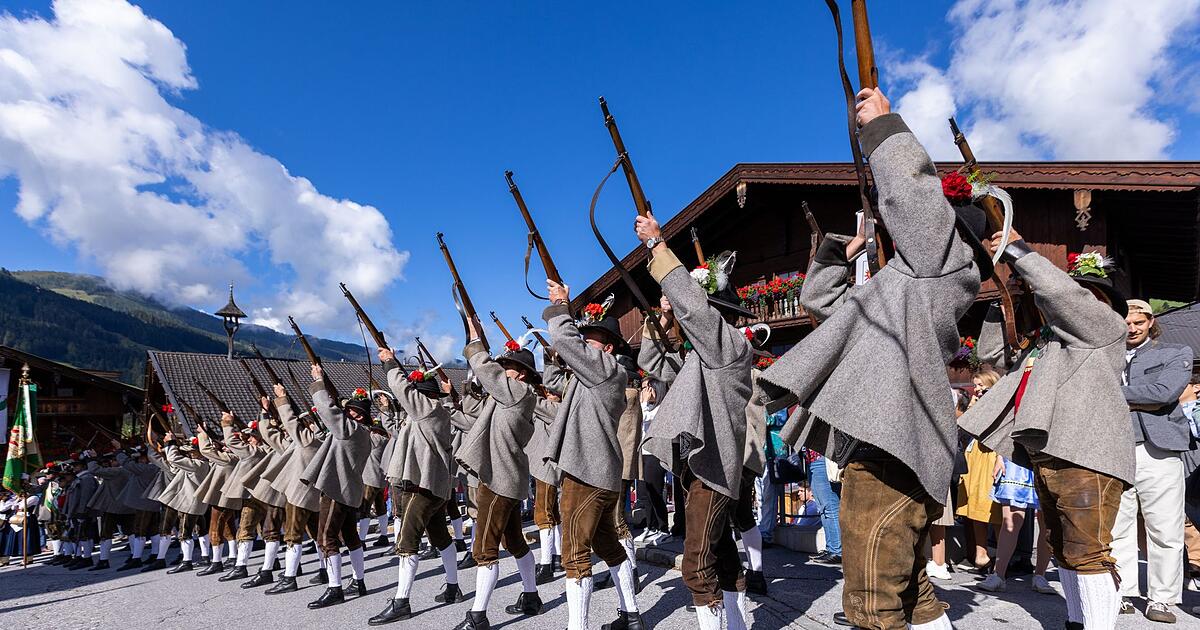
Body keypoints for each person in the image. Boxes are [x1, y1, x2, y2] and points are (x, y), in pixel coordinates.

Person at [761, 87, 990, 630]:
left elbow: (913, 199)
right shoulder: (903, 282)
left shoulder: (946, 264)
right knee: (913, 596)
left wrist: (884, 129)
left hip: (892, 451)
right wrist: (837, 254)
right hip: (885, 445)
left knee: (871, 605)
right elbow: (825, 307)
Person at [961, 239, 1134, 630]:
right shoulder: (1048, 344)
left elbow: (1061, 292)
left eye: (1085, 293)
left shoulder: (1106, 326)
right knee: (1064, 549)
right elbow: (992, 358)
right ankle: (1078, 621)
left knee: (1088, 552)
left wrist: (1017, 250)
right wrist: (1002, 299)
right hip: (1049, 453)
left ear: (1100, 303)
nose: (1067, 299)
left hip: (1087, 454)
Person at [634, 212, 766, 630]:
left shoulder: (727, 346)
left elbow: (694, 308)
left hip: (712, 472)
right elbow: (653, 362)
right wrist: (663, 319)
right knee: (724, 560)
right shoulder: (702, 357)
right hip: (701, 469)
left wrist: (658, 246)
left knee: (696, 567)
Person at [540, 283, 641, 630]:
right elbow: (554, 381)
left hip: (587, 471)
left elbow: (568, 341)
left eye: (592, 338)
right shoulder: (592, 375)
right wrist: (550, 354)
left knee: (574, 554)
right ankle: (631, 615)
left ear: (608, 348)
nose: (586, 343)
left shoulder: (608, 370)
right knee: (608, 547)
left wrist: (561, 306)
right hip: (596, 471)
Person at [449, 320, 545, 630]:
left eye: (510, 365)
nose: (503, 368)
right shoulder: (513, 393)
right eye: (503, 364)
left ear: (523, 374)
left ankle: (478, 615)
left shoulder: (516, 392)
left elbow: (485, 370)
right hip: (507, 477)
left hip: (498, 480)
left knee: (484, 548)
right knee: (515, 540)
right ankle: (531, 596)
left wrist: (476, 342)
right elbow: (479, 392)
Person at [1111, 298, 1195, 623]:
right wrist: (1140, 398)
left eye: (1138, 322)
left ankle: (1162, 599)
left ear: (1150, 322)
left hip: (1160, 450)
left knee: (1165, 527)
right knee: (1119, 525)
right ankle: (1123, 592)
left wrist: (1115, 394)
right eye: (1126, 323)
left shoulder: (1175, 353)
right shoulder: (1107, 356)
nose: (1131, 328)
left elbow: (1163, 393)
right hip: (1116, 447)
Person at [370, 349, 459, 625]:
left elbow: (399, 385)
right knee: (441, 538)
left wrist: (388, 362)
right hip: (430, 485)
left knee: (407, 542)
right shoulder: (432, 412)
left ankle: (401, 601)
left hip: (422, 486)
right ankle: (454, 588)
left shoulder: (428, 409)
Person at [301, 371, 383, 609]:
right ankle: (359, 582)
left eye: (351, 410)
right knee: (351, 537)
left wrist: (318, 382)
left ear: (359, 415)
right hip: (348, 490)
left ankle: (334, 587)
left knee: (325, 538)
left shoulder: (352, 430)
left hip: (337, 489)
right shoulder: (362, 432)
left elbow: (328, 411)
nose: (347, 412)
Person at [265, 384, 326, 594]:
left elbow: (290, 423)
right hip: (314, 496)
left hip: (299, 495)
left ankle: (290, 577)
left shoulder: (310, 441)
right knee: (319, 536)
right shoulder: (321, 440)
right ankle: (324, 569)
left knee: (292, 535)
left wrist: (282, 399)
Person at [955, 369, 1001, 573]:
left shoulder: (1000, 404)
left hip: (990, 457)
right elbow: (963, 427)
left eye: (982, 385)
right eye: (976, 386)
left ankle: (1001, 556)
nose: (978, 389)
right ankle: (980, 554)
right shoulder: (976, 404)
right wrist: (973, 405)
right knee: (974, 506)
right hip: (974, 457)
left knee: (993, 508)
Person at [636, 379, 671, 545]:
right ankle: (651, 526)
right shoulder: (647, 407)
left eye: (647, 388)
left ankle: (663, 528)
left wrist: (643, 403)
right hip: (643, 453)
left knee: (655, 491)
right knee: (646, 492)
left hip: (655, 454)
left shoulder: (661, 408)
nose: (644, 392)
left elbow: (644, 419)